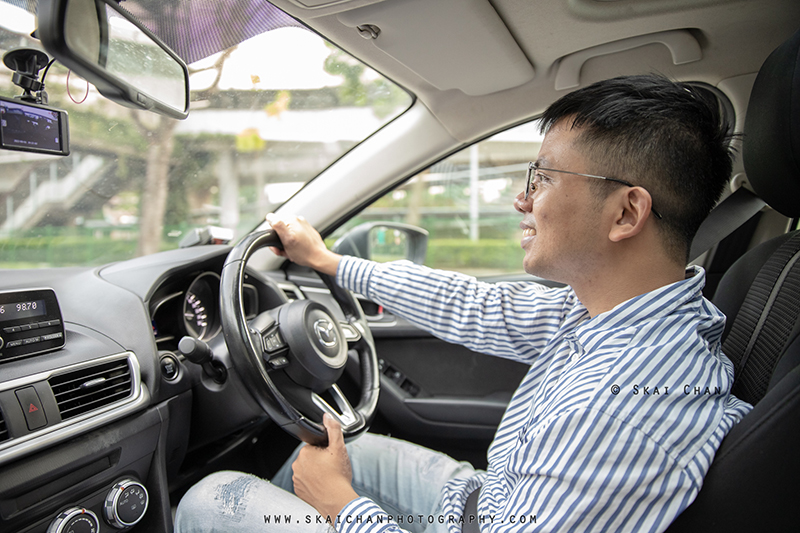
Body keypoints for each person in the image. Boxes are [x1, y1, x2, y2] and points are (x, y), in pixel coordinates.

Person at [175, 74, 752, 533]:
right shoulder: (630, 312)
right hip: (486, 503)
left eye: (544, 177)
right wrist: (329, 263)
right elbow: (478, 306)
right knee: (347, 447)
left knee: (207, 501)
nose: (521, 199)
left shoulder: (622, 407)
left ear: (626, 213)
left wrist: (342, 506)